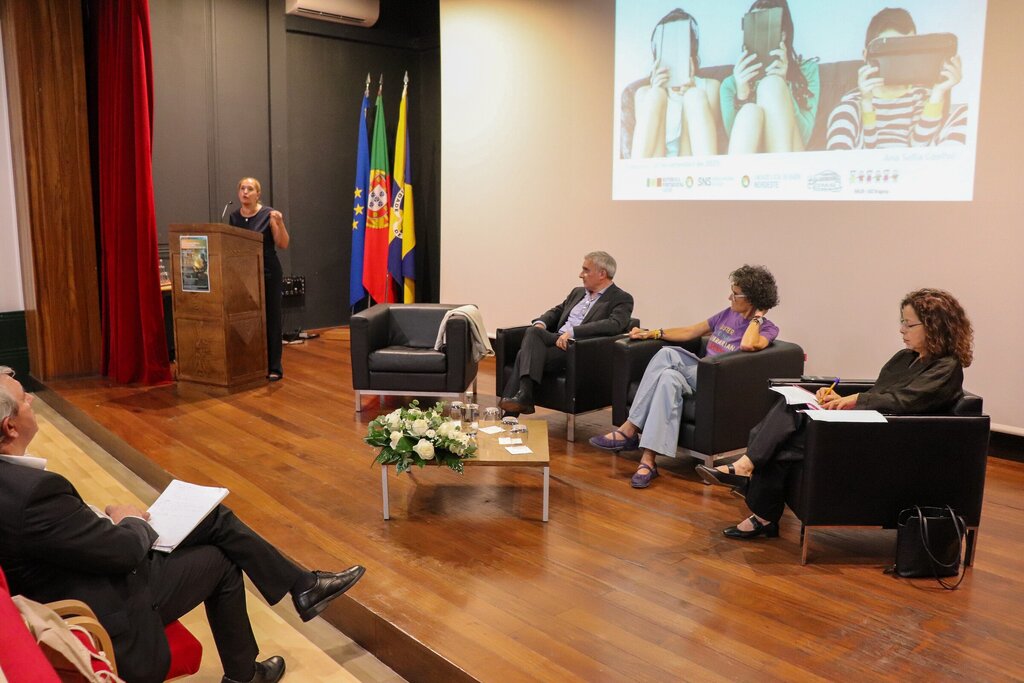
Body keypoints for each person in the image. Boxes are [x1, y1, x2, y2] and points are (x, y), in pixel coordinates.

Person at [0, 367, 365, 683]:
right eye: (26, 400)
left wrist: (112, 521)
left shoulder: (15, 482)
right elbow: (124, 552)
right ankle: (272, 633)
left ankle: (302, 588)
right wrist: (126, 518)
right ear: (11, 425)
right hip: (104, 601)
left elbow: (66, 537)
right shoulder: (33, 494)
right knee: (221, 559)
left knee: (212, 518)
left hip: (80, 570)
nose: (32, 399)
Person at [701, 288, 973, 540]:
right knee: (789, 409)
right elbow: (881, 392)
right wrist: (840, 399)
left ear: (934, 326)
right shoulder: (905, 357)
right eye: (902, 322)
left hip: (890, 440)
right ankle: (754, 489)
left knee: (781, 443)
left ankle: (752, 482)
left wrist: (856, 400)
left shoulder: (946, 368)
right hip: (866, 425)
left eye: (908, 324)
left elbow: (905, 401)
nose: (901, 330)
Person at [589, 265, 780, 488]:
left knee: (668, 354)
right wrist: (653, 333)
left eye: (735, 293)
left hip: (717, 383)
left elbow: (748, 345)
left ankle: (630, 428)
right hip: (697, 376)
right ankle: (648, 461)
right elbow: (691, 331)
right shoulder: (727, 315)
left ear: (752, 299)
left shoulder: (767, 329)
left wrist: (756, 318)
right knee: (668, 378)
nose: (730, 297)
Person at [499, 252, 634, 416]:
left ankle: (509, 416)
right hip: (556, 340)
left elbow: (614, 325)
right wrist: (542, 322)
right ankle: (524, 397)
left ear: (602, 274)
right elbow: (557, 311)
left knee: (523, 354)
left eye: (586, 270)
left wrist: (573, 332)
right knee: (534, 331)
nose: (580, 275)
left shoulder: (621, 298)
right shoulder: (578, 292)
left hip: (579, 349)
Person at [826, 8, 966, 150]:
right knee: (845, 110)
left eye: (909, 50)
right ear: (866, 55)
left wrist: (937, 93)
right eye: (892, 51)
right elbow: (867, 149)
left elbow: (919, 148)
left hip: (915, 165)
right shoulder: (852, 104)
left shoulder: (922, 95)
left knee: (964, 112)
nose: (901, 61)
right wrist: (867, 103)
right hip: (865, 167)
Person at [720, 0, 819, 154]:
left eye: (766, 28)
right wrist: (742, 95)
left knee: (771, 85)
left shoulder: (807, 71)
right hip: (750, 159)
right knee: (749, 112)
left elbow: (806, 135)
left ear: (782, 34)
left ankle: (779, 173)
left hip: (791, 156)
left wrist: (783, 86)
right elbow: (734, 140)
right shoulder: (730, 84)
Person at [630, 8, 720, 158]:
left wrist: (689, 93)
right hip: (657, 170)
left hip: (693, 167)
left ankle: (707, 177)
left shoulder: (711, 87)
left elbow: (711, 137)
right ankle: (632, 179)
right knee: (654, 95)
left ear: (691, 48)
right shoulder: (644, 94)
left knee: (695, 96)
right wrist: (656, 93)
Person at [228, 177, 290, 381]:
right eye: (242, 188)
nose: (245, 192)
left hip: (268, 272)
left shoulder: (269, 214)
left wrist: (279, 224)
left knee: (271, 319)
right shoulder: (234, 217)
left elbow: (283, 244)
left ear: (258, 194)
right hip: (243, 275)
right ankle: (251, 363)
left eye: (250, 189)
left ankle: (274, 367)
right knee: (246, 319)